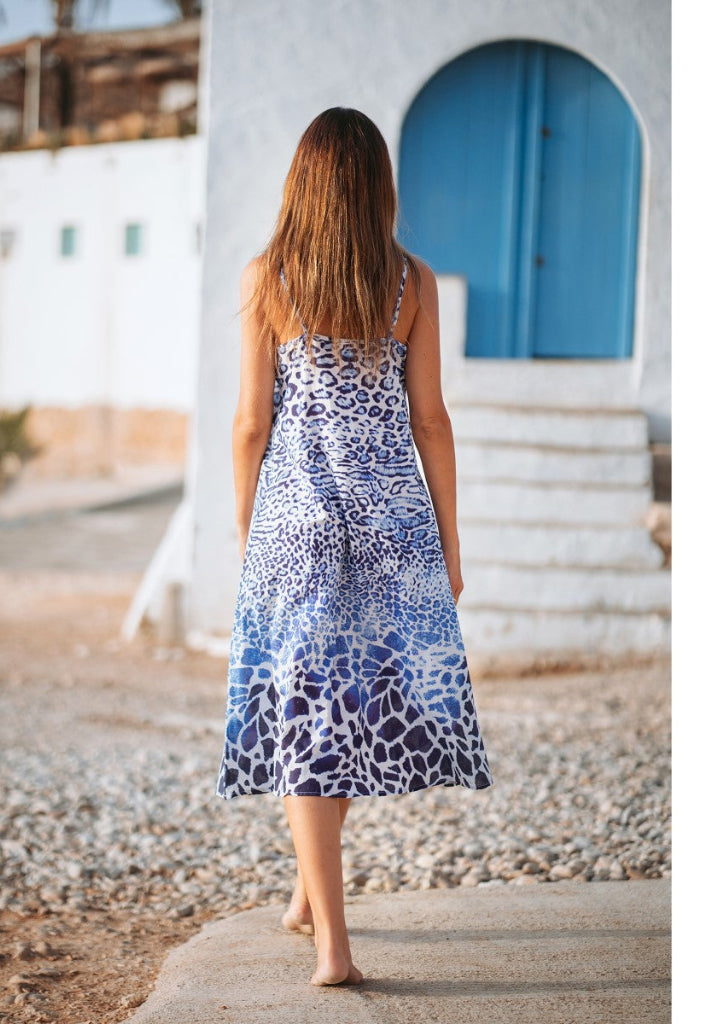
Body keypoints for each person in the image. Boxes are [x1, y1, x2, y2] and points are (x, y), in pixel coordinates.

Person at [216, 107, 494, 987]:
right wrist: (450, 543)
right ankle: (310, 899)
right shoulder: (412, 284)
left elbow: (252, 423)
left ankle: (334, 945)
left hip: (297, 525)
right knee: (350, 714)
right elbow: (432, 422)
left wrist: (244, 524)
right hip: (389, 526)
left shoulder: (271, 279)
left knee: (309, 720)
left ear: (303, 183)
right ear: (377, 185)